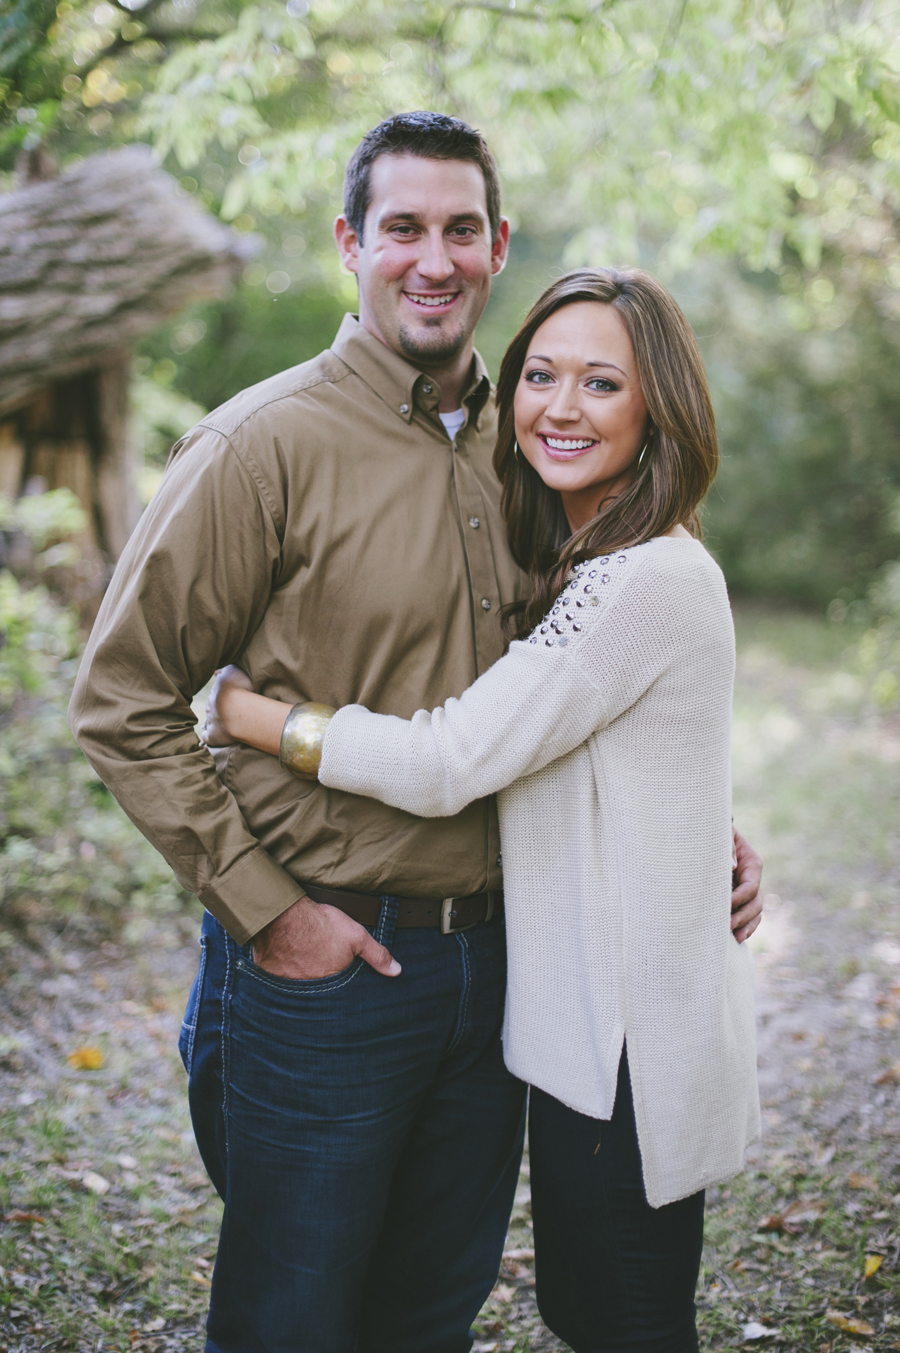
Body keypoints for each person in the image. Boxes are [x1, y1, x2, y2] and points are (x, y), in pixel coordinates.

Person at [68, 111, 762, 1353]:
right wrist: (270, 912)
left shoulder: (541, 447)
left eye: (459, 230)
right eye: (402, 229)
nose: (431, 259)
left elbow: (576, 684)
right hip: (325, 963)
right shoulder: (257, 448)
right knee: (293, 1314)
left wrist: (689, 819)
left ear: (498, 247)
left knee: (427, 1318)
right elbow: (118, 701)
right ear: (351, 242)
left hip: (503, 968)